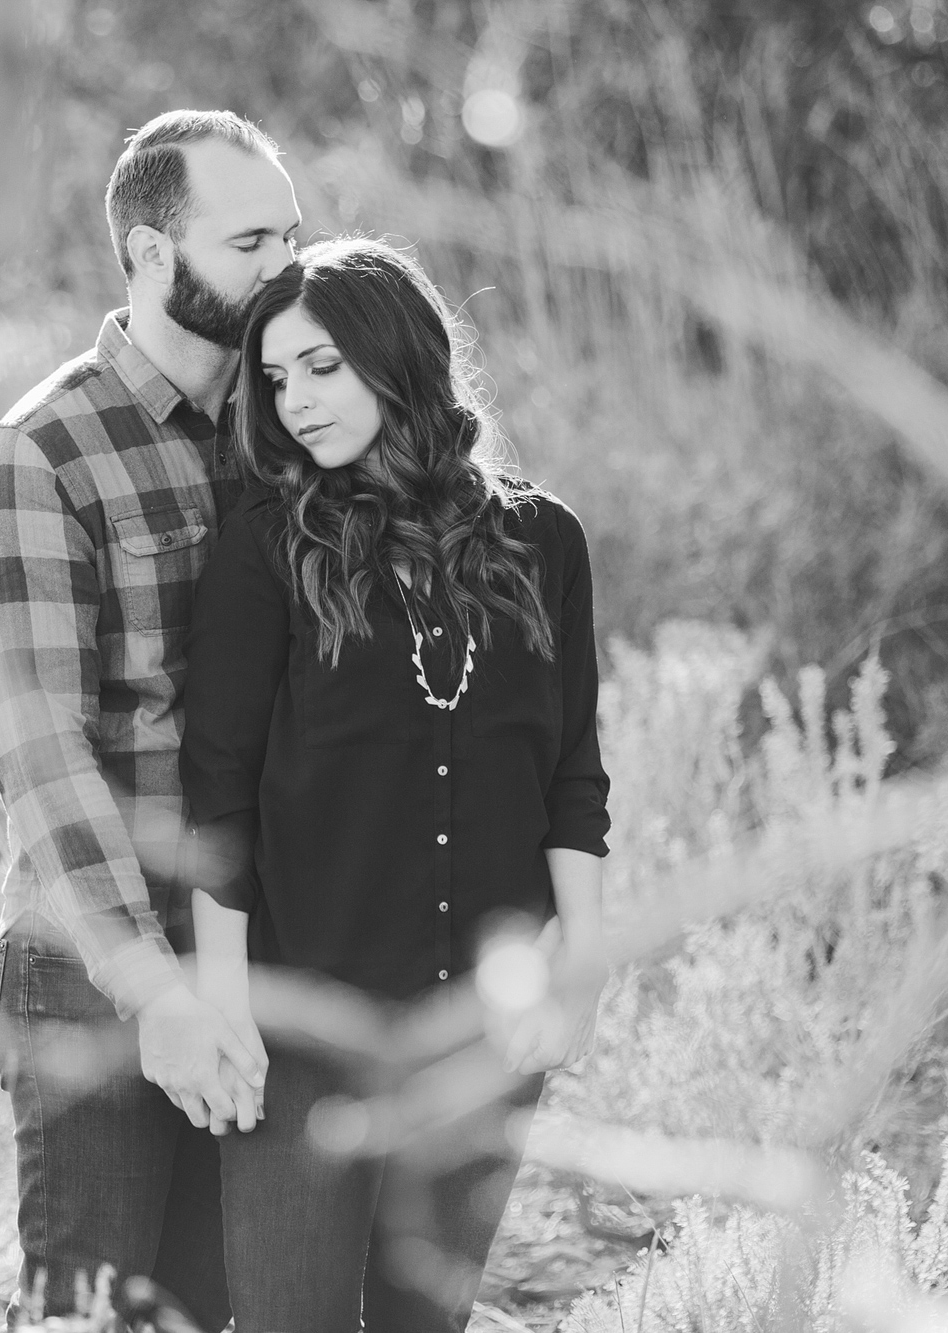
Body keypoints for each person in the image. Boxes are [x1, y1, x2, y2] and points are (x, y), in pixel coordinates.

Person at [178, 237, 613, 1333]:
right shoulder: (264, 549)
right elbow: (217, 791)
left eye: (321, 367)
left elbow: (571, 774)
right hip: (304, 1033)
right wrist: (225, 1002)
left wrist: (583, 966)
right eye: (275, 381)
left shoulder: (541, 541)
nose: (297, 403)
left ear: (396, 355)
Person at [0, 109, 300, 1326]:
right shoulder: (41, 454)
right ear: (152, 255)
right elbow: (42, 755)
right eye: (249, 240)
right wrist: (155, 992)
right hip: (92, 978)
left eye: (291, 237)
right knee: (97, 1316)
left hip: (252, 963)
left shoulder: (291, 435)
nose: (284, 269)